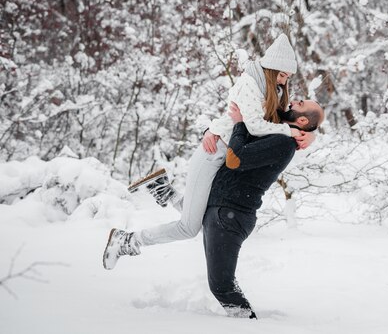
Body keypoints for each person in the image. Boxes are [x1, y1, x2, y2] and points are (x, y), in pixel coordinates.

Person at [102, 34, 314, 270]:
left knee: (203, 216)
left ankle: (161, 189)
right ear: (270, 68)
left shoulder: (271, 90)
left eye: (288, 77)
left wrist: (310, 132)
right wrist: (290, 132)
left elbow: (289, 120)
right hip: (213, 152)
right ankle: (127, 241)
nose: (284, 82)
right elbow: (252, 125)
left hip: (224, 154)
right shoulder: (250, 84)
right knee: (189, 227)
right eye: (282, 75)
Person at [203, 99, 324, 318]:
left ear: (303, 119)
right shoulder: (276, 130)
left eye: (300, 102)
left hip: (231, 213)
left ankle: (249, 325)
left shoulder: (283, 142)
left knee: (222, 286)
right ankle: (162, 192)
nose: (293, 100)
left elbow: (236, 158)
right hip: (223, 207)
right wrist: (210, 131)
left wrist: (239, 123)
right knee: (188, 227)